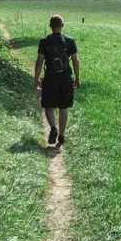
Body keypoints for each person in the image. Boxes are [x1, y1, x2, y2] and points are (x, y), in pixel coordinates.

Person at [34, 15, 80, 146]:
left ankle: (53, 127)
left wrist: (36, 78)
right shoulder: (70, 41)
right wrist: (78, 77)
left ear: (50, 26)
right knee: (63, 107)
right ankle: (62, 134)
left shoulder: (44, 41)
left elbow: (39, 62)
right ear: (62, 25)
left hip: (50, 77)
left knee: (48, 106)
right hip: (66, 78)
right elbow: (76, 61)